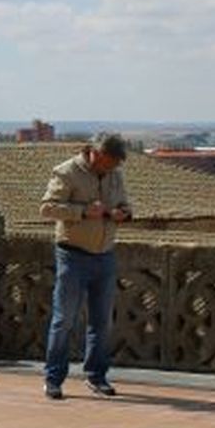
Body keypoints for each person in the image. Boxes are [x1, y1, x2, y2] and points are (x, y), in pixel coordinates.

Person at [39, 133, 133, 400]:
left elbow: (125, 204)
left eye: (114, 164)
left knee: (102, 321)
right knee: (64, 319)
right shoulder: (67, 172)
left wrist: (123, 213)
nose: (110, 169)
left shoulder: (115, 175)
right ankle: (53, 378)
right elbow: (47, 208)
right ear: (94, 152)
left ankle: (96, 375)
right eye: (107, 163)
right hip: (73, 255)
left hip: (105, 255)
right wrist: (81, 211)